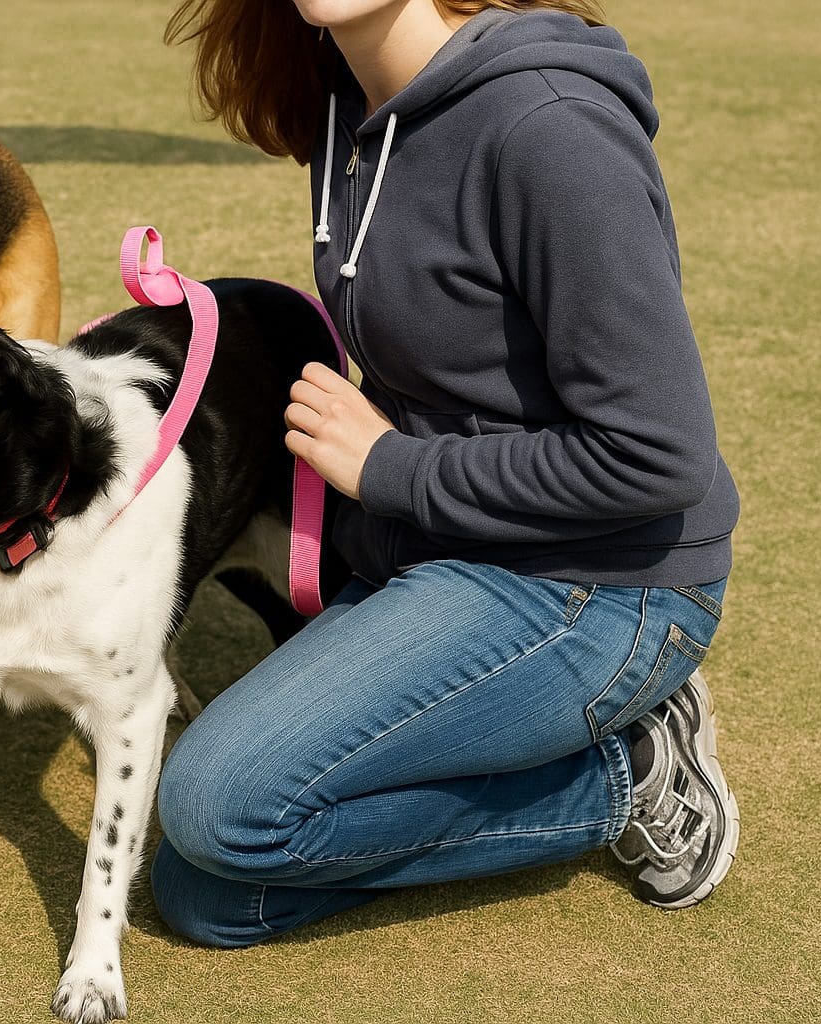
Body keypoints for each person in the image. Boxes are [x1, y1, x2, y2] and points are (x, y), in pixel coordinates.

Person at [152, 0, 741, 945]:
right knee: (210, 892)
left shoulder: (550, 127)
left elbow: (657, 455)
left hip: (600, 581)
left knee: (219, 809)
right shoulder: (343, 101)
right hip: (437, 549)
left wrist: (392, 468)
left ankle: (624, 772)